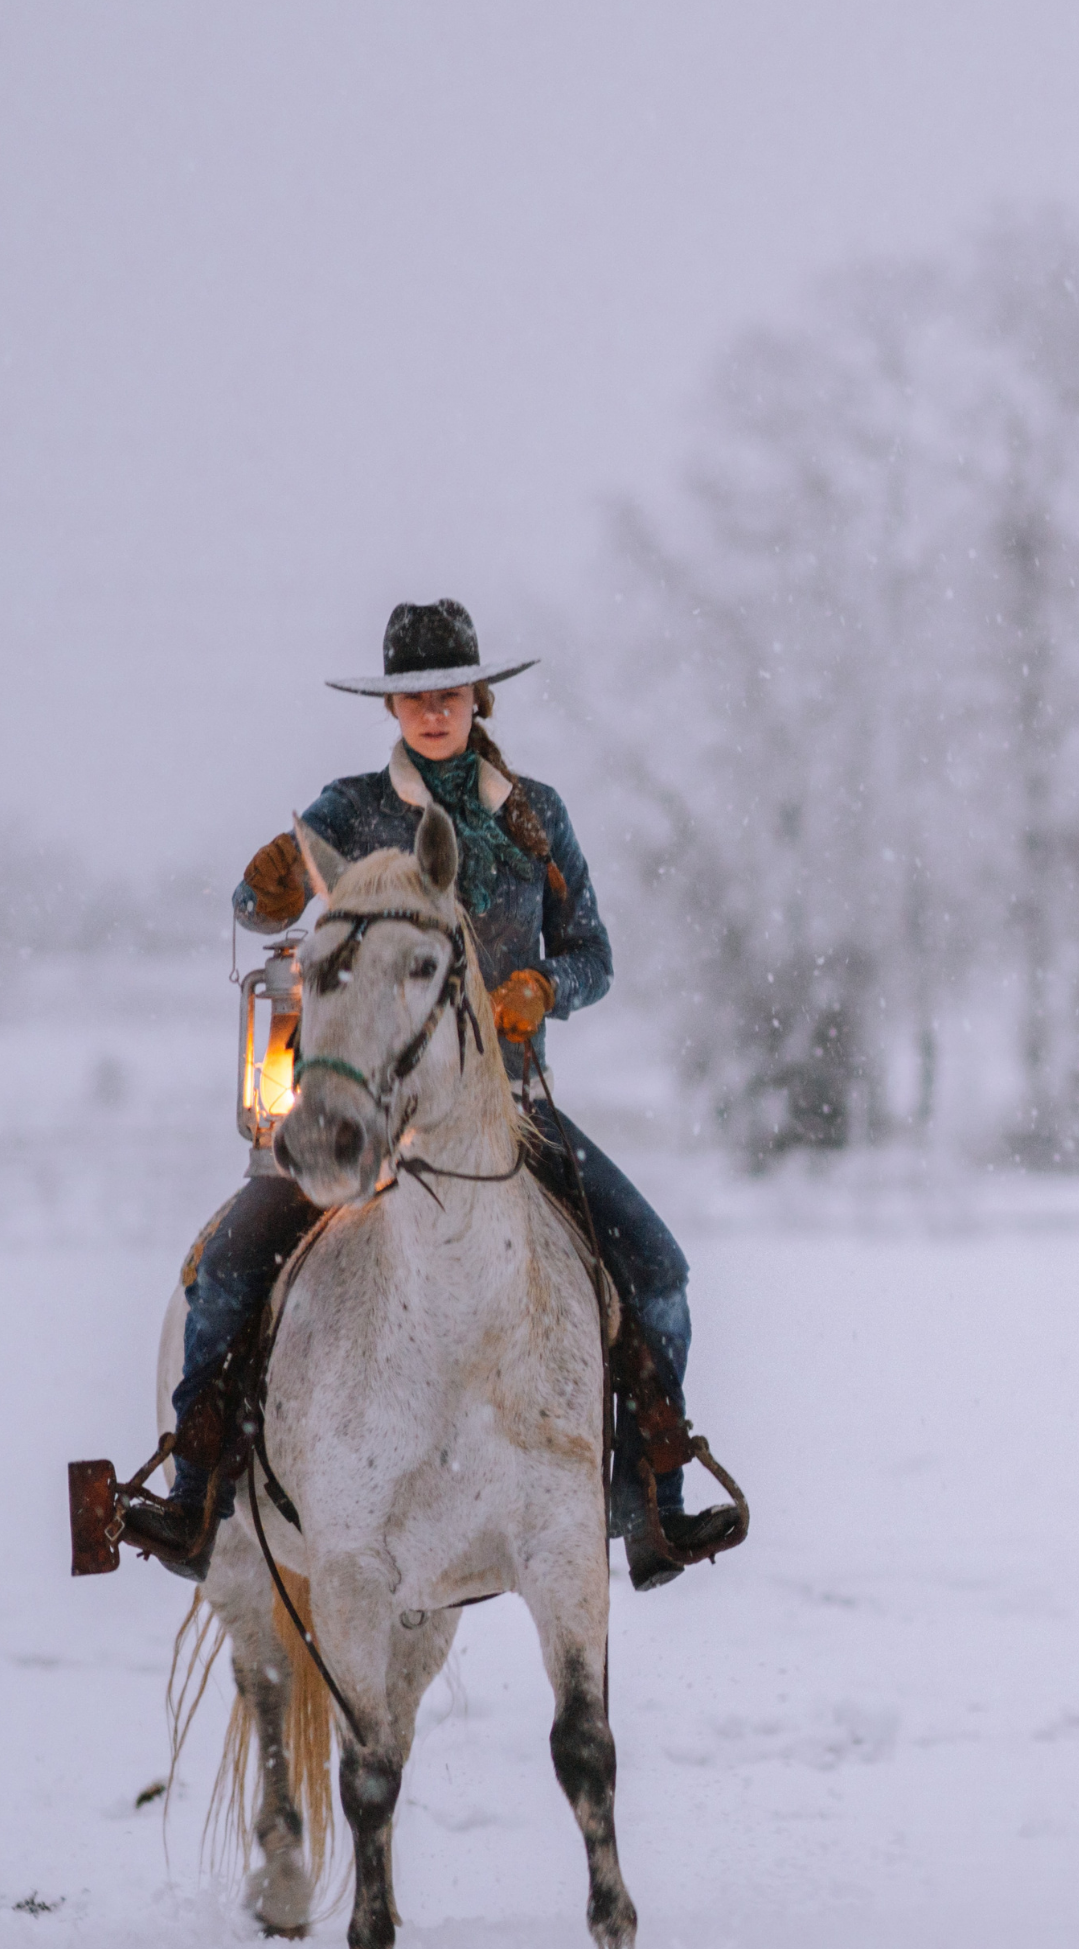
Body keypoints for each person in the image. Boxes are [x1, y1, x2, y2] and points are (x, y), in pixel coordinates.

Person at [110, 600, 746, 1587]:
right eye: (413, 697)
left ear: (477, 695)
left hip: (511, 1110)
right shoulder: (347, 810)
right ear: (393, 707)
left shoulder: (534, 815)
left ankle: (649, 1505)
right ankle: (196, 1494)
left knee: (656, 1273)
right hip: (360, 1110)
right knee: (226, 1270)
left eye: (447, 692)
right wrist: (262, 891)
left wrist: (546, 988)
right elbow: (254, 908)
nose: (432, 710)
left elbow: (596, 959)